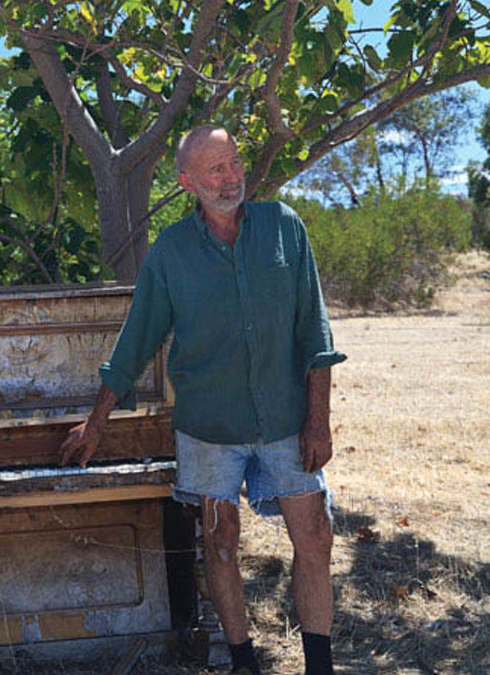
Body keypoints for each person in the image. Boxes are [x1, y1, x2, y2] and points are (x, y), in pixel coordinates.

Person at [59, 126, 345, 675]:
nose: (230, 177)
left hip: (287, 420)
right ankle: (242, 661)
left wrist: (319, 422)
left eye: (234, 163)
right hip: (209, 429)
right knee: (220, 543)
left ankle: (320, 665)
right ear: (187, 182)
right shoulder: (171, 252)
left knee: (315, 535)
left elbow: (316, 333)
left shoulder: (284, 227)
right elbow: (136, 340)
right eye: (215, 169)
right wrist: (96, 421)